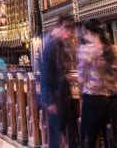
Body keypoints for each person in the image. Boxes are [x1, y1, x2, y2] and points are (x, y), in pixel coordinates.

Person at [77, 18, 117, 148]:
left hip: (93, 100)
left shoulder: (86, 50)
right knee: (112, 140)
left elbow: (81, 78)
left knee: (89, 140)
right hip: (112, 101)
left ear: (88, 32)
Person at [41, 15, 78, 148]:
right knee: (56, 136)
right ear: (62, 27)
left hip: (64, 95)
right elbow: (45, 74)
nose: (71, 34)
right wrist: (50, 101)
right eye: (70, 30)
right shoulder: (51, 44)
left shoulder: (60, 44)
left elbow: (59, 70)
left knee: (70, 133)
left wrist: (67, 76)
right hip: (56, 98)